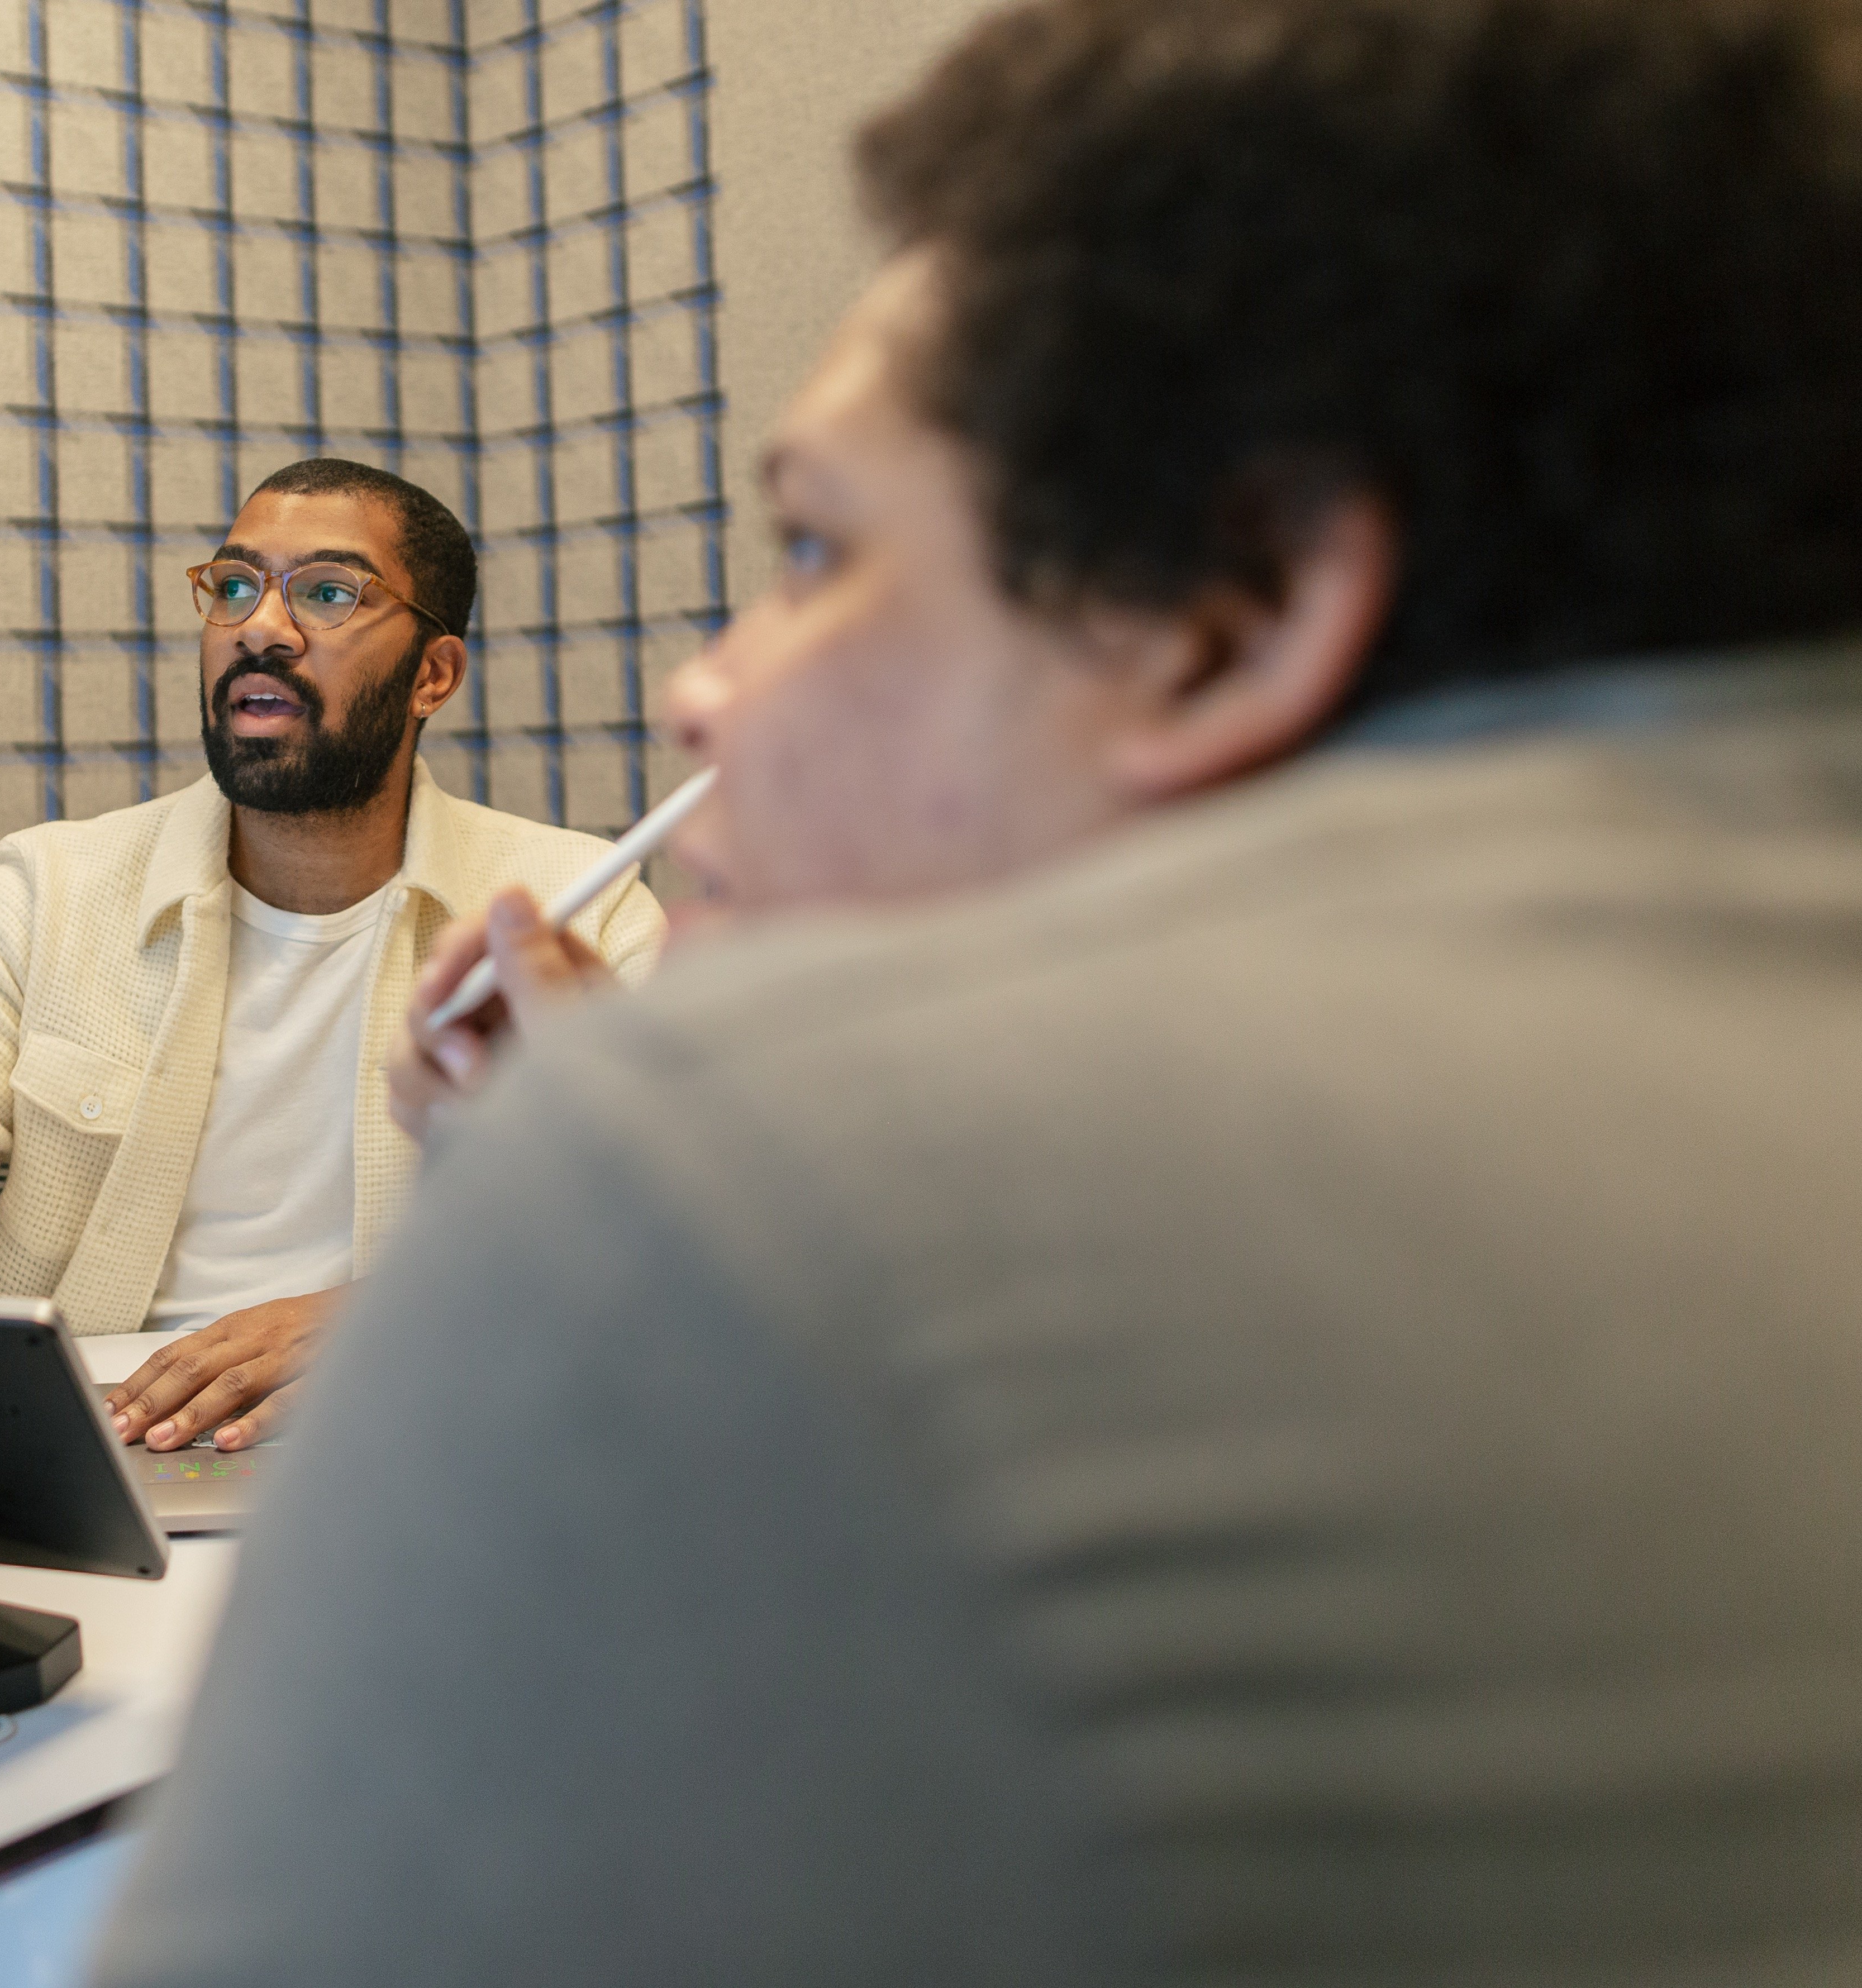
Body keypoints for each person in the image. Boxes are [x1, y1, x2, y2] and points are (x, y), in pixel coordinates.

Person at [94, 1, 1862, 1981]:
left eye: (813, 547)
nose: (707, 688)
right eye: (230, 584)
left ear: (1234, 614)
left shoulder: (732, 1184)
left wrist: (616, 1204)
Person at [0, 458, 665, 1452]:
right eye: (233, 586)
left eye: (327, 592)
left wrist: (395, 1315)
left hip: (432, 1445)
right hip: (89, 1454)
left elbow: (652, 1261)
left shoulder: (575, 914)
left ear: (434, 673)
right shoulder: (47, 893)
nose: (260, 627)